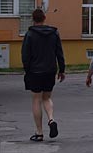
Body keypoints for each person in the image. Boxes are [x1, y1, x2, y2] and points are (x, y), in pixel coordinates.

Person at [21, 8, 65, 142]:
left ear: (33, 19)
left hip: (35, 71)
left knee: (36, 100)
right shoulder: (54, 33)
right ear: (44, 18)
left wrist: (27, 70)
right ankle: (51, 120)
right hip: (50, 70)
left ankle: (39, 133)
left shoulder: (29, 34)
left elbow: (25, 55)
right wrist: (61, 69)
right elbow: (59, 53)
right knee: (47, 97)